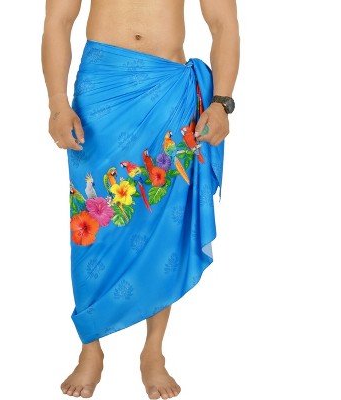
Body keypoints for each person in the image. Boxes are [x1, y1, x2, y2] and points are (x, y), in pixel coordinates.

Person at [41, 0, 240, 398]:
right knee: (93, 222)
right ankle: (91, 345)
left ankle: (153, 351)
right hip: (102, 92)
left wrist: (221, 102)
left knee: (161, 223)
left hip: (168, 93)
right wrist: (58, 105)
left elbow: (224, 23)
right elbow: (58, 20)